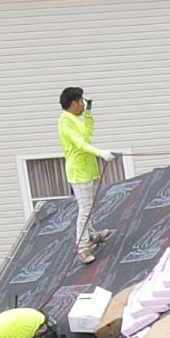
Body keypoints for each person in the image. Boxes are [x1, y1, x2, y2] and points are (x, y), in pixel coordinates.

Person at [57, 85, 108, 261]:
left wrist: (88, 113)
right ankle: (82, 248)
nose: (82, 104)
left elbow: (87, 132)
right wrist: (100, 153)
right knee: (85, 209)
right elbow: (80, 144)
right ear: (73, 103)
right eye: (81, 102)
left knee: (89, 206)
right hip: (78, 173)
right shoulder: (65, 121)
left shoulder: (73, 119)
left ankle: (90, 235)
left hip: (86, 169)